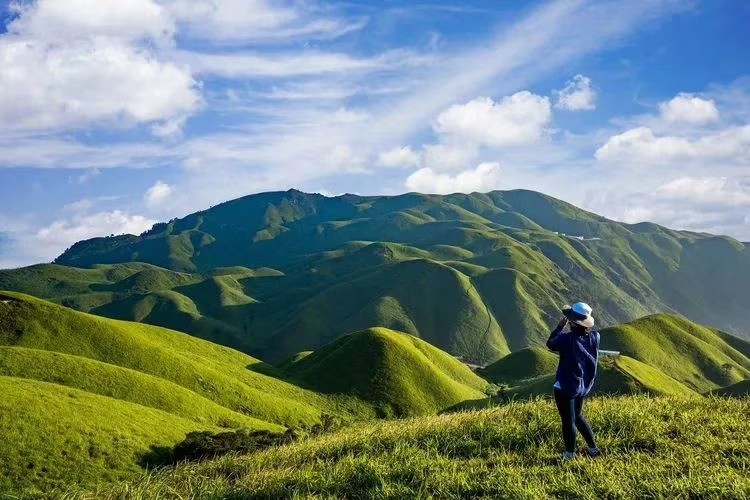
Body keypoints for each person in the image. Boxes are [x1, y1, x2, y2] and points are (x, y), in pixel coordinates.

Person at [546, 302, 602, 461]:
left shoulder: (566, 339)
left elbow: (550, 344)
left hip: (566, 385)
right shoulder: (595, 337)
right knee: (577, 416)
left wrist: (558, 328)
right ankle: (593, 449)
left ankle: (569, 455)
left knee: (568, 421)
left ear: (573, 322)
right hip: (583, 385)